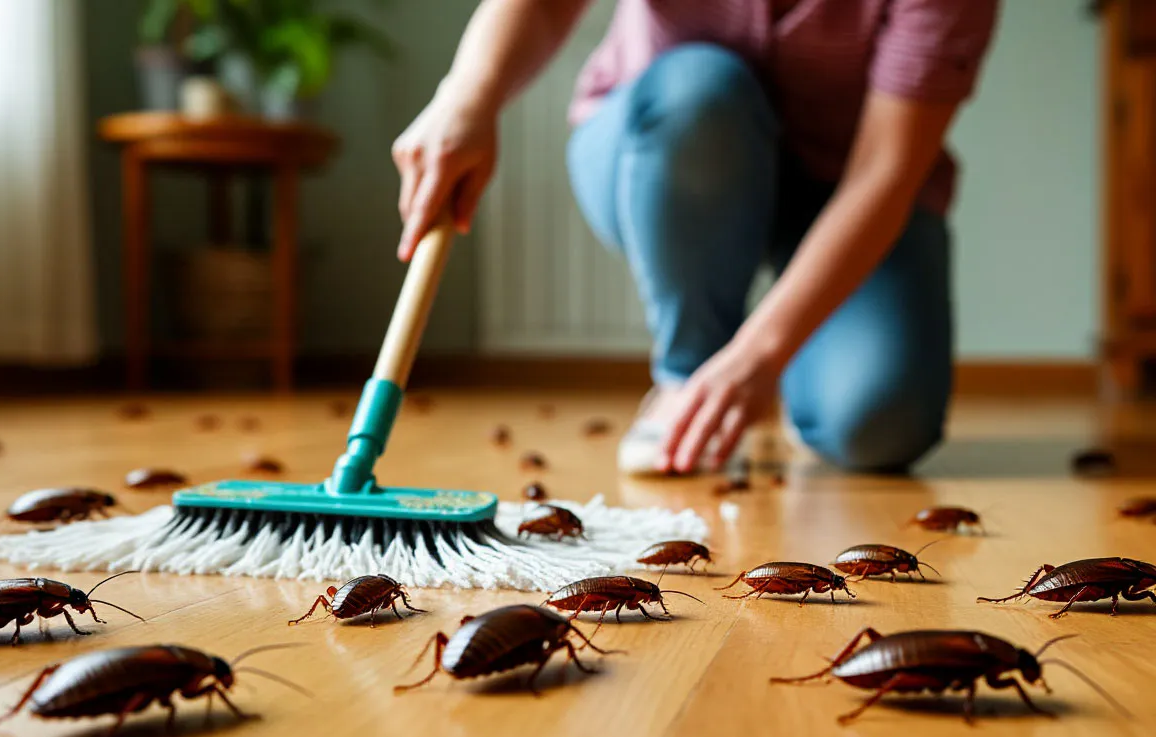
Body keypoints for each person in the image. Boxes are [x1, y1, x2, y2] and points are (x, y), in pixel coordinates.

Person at [392, 0, 1000, 476]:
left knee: (879, 425)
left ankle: (767, 366)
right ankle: (691, 375)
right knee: (699, 89)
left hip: (847, 188)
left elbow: (884, 173)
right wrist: (468, 96)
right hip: (669, 154)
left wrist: (763, 355)